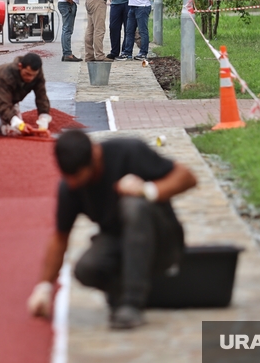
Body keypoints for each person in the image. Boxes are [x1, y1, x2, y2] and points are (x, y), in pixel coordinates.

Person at [27, 130, 197, 329]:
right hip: (120, 242)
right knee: (86, 268)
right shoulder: (71, 187)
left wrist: (147, 190)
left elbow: (187, 177)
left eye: (79, 177)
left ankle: (132, 303)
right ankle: (127, 294)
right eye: (68, 177)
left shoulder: (128, 152)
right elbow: (60, 237)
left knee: (133, 206)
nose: (73, 183)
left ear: (95, 156)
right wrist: (44, 287)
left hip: (163, 242)